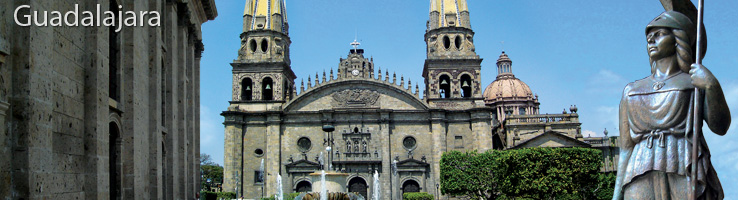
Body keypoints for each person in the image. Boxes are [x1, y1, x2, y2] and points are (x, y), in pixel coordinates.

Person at [613, 10, 730, 200]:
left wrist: (711, 85)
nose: (651, 41)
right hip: (639, 169)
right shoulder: (632, 90)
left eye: (658, 34)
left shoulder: (693, 83)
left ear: (678, 38)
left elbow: (720, 126)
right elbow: (626, 148)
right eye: (649, 37)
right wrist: (616, 195)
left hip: (683, 162)